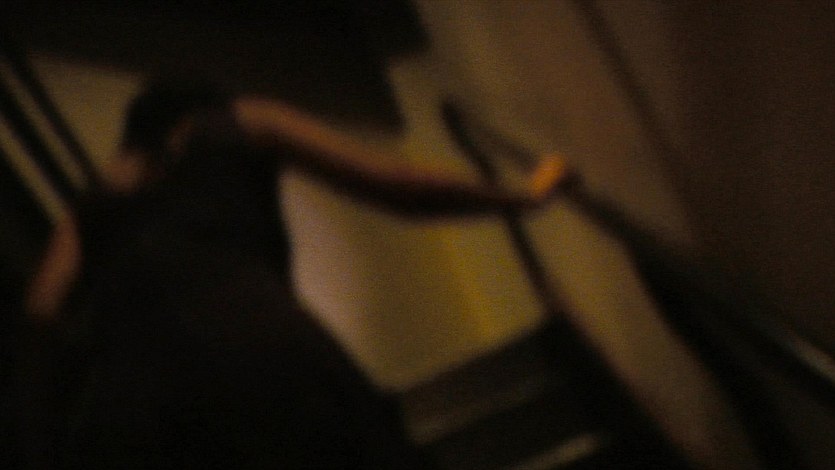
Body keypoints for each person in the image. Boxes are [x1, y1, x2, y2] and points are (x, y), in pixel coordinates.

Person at [21, 79, 569, 468]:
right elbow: (398, 185)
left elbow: (43, 307)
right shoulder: (240, 122)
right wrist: (520, 199)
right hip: (265, 354)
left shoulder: (93, 202)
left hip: (149, 411)